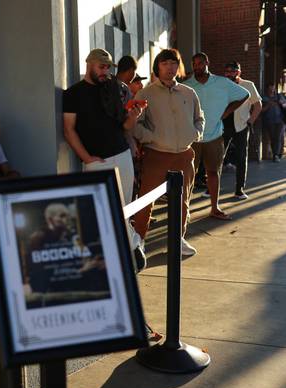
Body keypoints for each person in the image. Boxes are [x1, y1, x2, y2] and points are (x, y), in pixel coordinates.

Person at [62, 48, 145, 268]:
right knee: (99, 212)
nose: (105, 71)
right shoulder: (73, 93)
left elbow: (124, 126)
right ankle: (124, 251)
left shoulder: (113, 88)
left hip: (122, 154)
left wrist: (134, 117)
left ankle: (131, 251)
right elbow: (69, 130)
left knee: (124, 208)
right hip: (97, 161)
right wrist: (87, 158)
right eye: (102, 66)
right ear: (89, 64)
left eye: (108, 67)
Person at [133, 49, 205, 256]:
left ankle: (178, 239)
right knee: (146, 200)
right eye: (165, 63)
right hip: (156, 154)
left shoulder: (189, 92)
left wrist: (194, 134)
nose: (170, 67)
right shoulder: (146, 93)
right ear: (158, 66)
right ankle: (139, 242)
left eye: (174, 63)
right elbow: (135, 125)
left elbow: (199, 118)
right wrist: (151, 138)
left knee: (182, 200)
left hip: (183, 155)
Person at [184, 52, 249, 220]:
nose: (197, 66)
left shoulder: (222, 82)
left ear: (207, 63)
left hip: (214, 136)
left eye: (200, 63)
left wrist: (227, 112)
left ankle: (214, 207)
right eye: (194, 64)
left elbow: (244, 95)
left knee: (213, 172)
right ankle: (185, 210)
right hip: (193, 137)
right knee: (189, 175)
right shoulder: (187, 86)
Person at [222, 62, 262, 199]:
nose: (229, 74)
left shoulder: (248, 85)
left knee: (241, 158)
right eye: (226, 71)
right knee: (217, 158)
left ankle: (239, 189)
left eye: (232, 71)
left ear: (238, 72)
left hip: (241, 126)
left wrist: (251, 120)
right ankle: (210, 188)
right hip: (222, 126)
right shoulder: (221, 85)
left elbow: (258, 105)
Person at [261, 84, 286, 162]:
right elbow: (261, 110)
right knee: (273, 138)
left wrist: (281, 103)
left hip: (280, 120)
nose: (272, 90)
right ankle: (276, 154)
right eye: (270, 89)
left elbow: (285, 105)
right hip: (269, 121)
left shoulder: (279, 96)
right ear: (267, 90)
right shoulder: (264, 98)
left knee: (278, 137)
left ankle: (276, 155)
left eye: (273, 89)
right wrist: (268, 105)